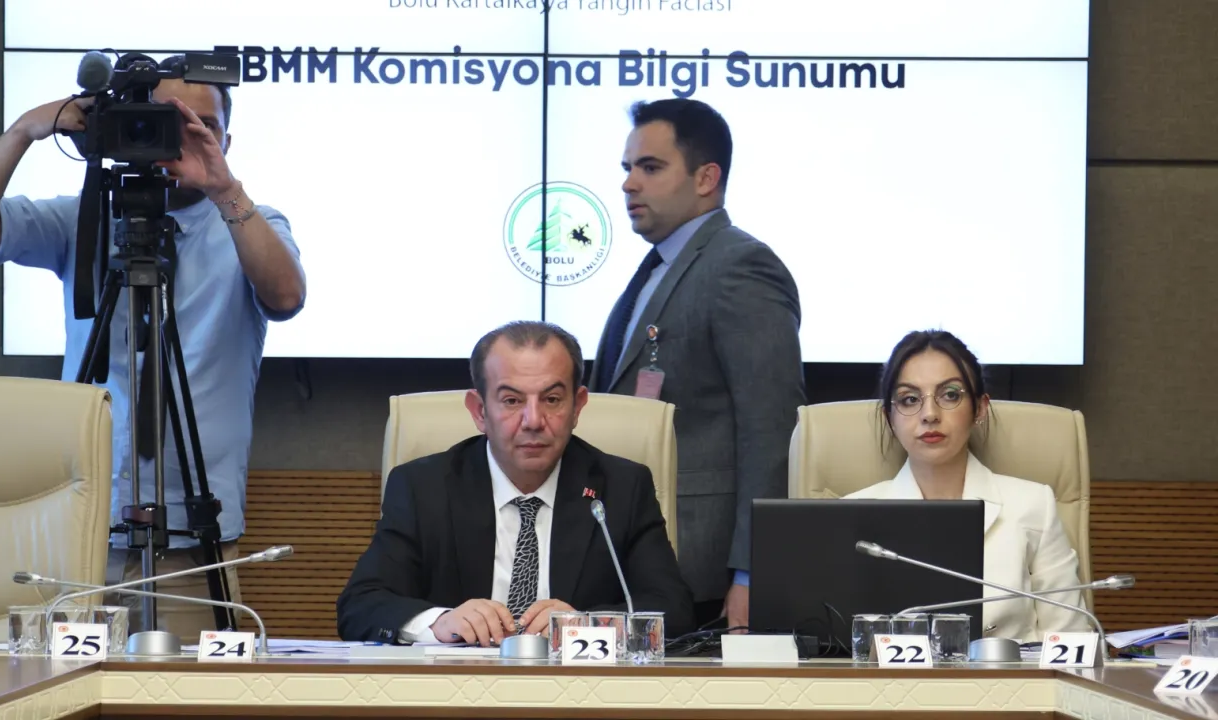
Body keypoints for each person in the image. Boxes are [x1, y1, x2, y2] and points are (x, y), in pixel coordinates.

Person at [0, 54, 307, 640]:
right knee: (64, 681)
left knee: (194, 689)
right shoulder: (87, 218)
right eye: (165, 122)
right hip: (82, 526)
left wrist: (224, 189)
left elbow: (286, 296)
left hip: (194, 535)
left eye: (203, 126)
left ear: (227, 141)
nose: (182, 138)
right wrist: (24, 131)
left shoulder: (250, 224)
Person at [337, 321, 694, 645]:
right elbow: (361, 606)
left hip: (578, 688)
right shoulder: (423, 487)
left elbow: (674, 611)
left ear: (577, 407)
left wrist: (589, 624)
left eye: (552, 399)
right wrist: (439, 622)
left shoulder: (622, 488)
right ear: (479, 411)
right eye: (511, 400)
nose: (533, 420)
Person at [590, 98, 805, 630]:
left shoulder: (740, 265)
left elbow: (770, 429)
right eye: (627, 168)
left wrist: (753, 573)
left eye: (650, 167)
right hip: (632, 558)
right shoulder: (661, 265)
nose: (629, 184)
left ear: (706, 177)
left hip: (702, 574)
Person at [845, 330, 1089, 642]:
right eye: (910, 399)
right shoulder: (853, 515)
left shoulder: (1033, 505)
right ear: (890, 418)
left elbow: (1071, 640)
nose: (929, 415)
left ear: (980, 408)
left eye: (950, 395)